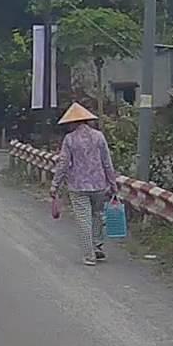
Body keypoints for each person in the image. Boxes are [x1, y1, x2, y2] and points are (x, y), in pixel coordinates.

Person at [49, 102, 119, 266]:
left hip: (78, 186)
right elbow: (107, 162)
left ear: (73, 123)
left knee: (84, 220)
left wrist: (55, 185)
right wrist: (113, 183)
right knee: (97, 215)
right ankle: (97, 246)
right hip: (99, 185)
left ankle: (89, 255)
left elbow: (63, 164)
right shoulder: (99, 136)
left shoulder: (70, 139)